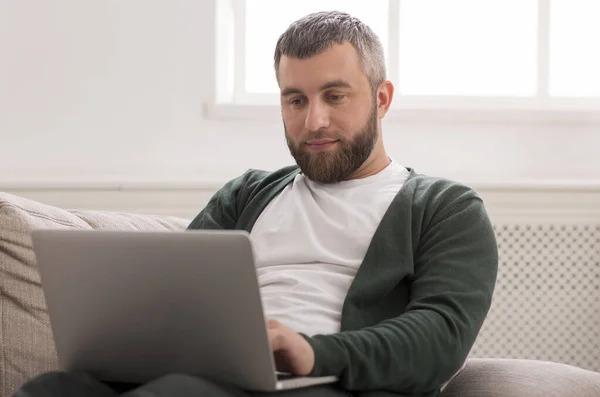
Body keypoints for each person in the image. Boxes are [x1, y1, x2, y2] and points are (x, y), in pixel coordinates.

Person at [14, 10, 498, 397]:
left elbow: (440, 336)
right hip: (214, 372)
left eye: (335, 96)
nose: (314, 121)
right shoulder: (248, 193)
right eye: (295, 100)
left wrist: (309, 352)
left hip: (326, 381)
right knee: (51, 388)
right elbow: (177, 292)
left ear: (382, 98)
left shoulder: (444, 207)